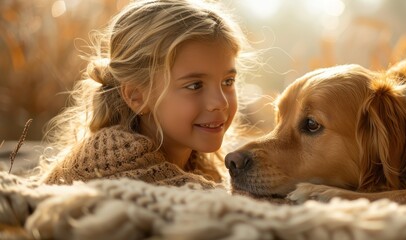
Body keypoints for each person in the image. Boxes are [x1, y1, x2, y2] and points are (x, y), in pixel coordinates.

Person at [40, 0, 253, 189]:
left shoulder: (196, 162)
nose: (220, 102)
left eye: (228, 81)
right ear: (136, 97)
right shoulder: (117, 163)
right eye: (195, 85)